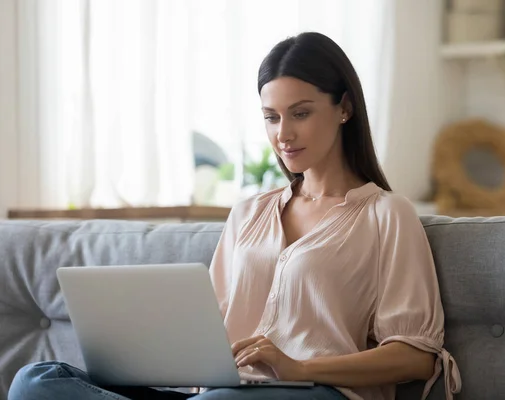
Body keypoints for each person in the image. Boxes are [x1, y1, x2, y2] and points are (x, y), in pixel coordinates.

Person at [8, 32, 461, 400]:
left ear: (344, 108)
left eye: (300, 113)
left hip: (322, 392)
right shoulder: (248, 214)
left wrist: (298, 366)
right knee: (37, 382)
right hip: (224, 392)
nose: (283, 134)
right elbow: (210, 326)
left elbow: (415, 355)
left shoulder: (386, 214)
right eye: (271, 117)